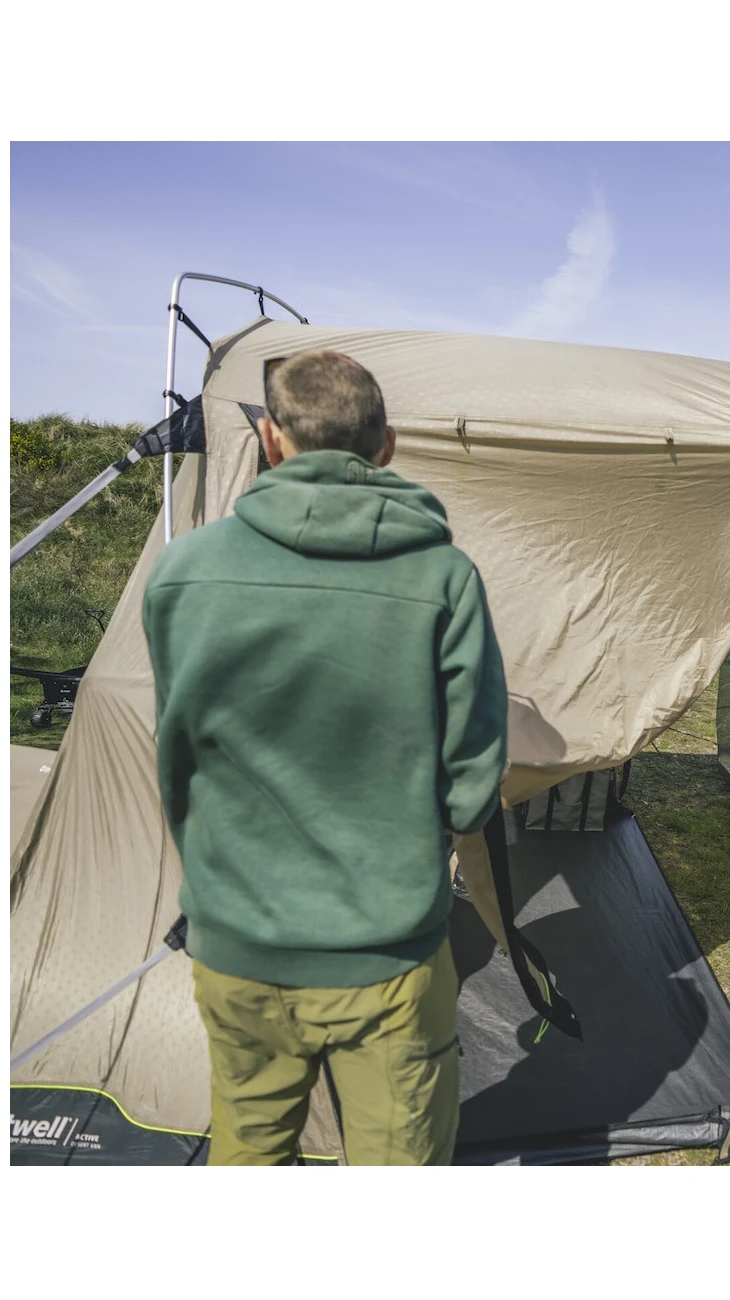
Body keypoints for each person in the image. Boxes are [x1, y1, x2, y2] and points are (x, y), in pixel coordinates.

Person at [143, 350, 508, 1165]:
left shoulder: (185, 571)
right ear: (388, 445)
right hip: (390, 957)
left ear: (271, 439)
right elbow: (473, 787)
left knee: (249, 1152)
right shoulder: (445, 579)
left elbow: (180, 749)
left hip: (235, 942)